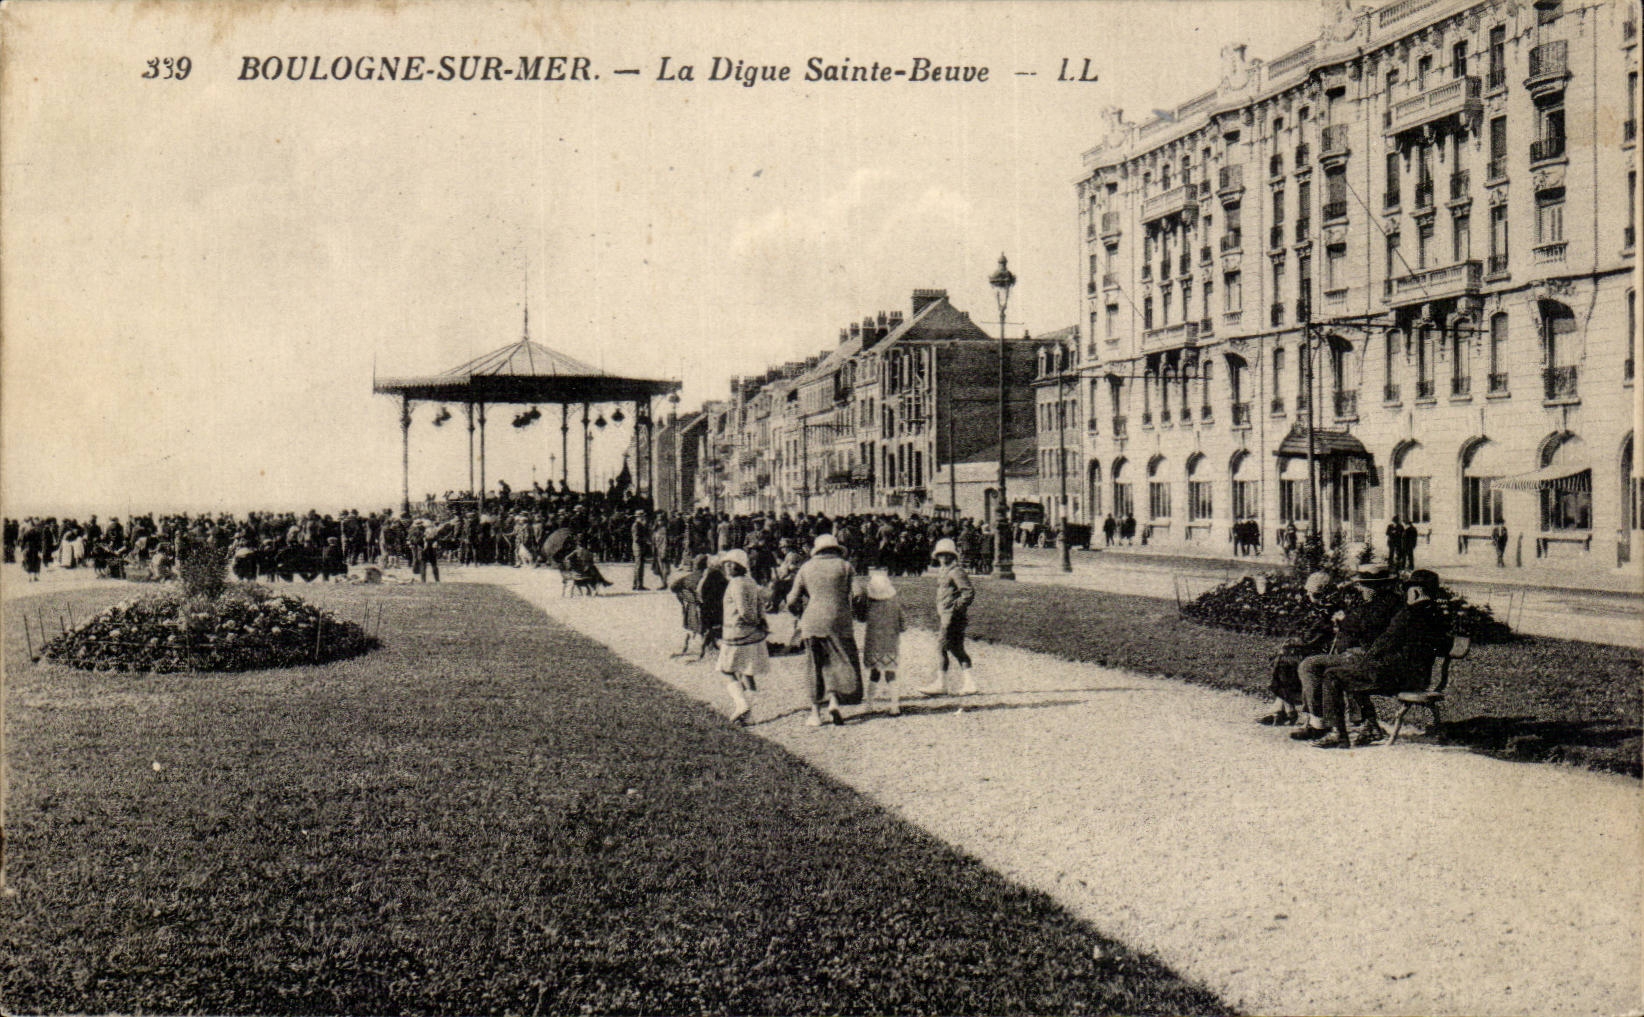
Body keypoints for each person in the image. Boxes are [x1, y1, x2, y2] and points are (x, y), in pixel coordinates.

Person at [1314, 569, 1452, 749]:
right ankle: (1370, 726)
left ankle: (1339, 734)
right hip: (1420, 678)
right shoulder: (1438, 616)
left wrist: (1366, 661)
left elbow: (1385, 642)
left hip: (1396, 677)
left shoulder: (1408, 614)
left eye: (1408, 590)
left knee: (1334, 676)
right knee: (1354, 674)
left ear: (1415, 591)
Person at [1289, 566, 1403, 740]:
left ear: (1381, 587)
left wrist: (1344, 621)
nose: (1362, 589)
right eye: (1362, 585)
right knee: (1313, 664)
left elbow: (1366, 629)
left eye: (1366, 586)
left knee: (1312, 666)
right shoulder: (1375, 603)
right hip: (1360, 655)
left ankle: (1322, 723)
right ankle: (1323, 722)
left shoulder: (1387, 605)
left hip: (1371, 659)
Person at [785, 533, 862, 726]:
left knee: (815, 664)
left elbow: (791, 600)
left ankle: (815, 713)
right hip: (839, 622)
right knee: (837, 662)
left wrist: (797, 613)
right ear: (836, 549)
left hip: (812, 621)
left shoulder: (806, 567)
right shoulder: (845, 566)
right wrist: (855, 611)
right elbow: (859, 593)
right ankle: (834, 700)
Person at [1258, 570, 1335, 726]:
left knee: (1283, 660)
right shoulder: (1315, 609)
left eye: (1315, 594)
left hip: (1322, 652)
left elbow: (1313, 639)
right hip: (1310, 650)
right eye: (1311, 594)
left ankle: (1285, 708)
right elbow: (1302, 633)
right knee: (1283, 659)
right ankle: (1284, 708)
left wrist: (1292, 644)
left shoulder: (1328, 611)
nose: (1311, 597)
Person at [918, 537, 977, 697]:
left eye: (947, 555)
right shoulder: (945, 571)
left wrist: (954, 607)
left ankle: (941, 683)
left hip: (952, 617)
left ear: (953, 556)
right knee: (957, 649)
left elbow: (968, 592)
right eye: (941, 555)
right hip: (947, 616)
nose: (943, 558)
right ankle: (969, 682)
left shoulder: (955, 571)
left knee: (941, 648)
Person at [716, 549, 769, 725]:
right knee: (747, 671)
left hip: (737, 632)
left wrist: (753, 621)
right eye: (726, 563)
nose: (729, 566)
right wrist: (761, 622)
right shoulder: (750, 581)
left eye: (733, 563)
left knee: (725, 670)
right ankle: (750, 716)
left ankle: (741, 704)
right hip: (752, 634)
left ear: (741, 566)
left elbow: (744, 610)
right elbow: (760, 603)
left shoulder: (736, 583)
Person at [857, 567, 906, 716]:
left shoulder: (870, 607)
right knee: (891, 672)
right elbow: (903, 625)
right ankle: (894, 706)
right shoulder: (895, 605)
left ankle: (869, 704)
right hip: (891, 644)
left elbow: (861, 618)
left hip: (874, 645)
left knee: (874, 673)